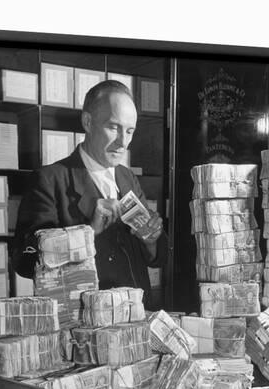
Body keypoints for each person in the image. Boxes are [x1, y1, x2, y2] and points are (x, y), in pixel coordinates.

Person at [12, 80, 168, 301]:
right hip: (82, 325)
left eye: (130, 131)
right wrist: (88, 232)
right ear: (87, 121)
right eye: (114, 127)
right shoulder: (49, 179)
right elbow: (25, 262)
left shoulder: (127, 177)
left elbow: (158, 258)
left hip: (134, 318)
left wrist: (150, 238)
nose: (123, 142)